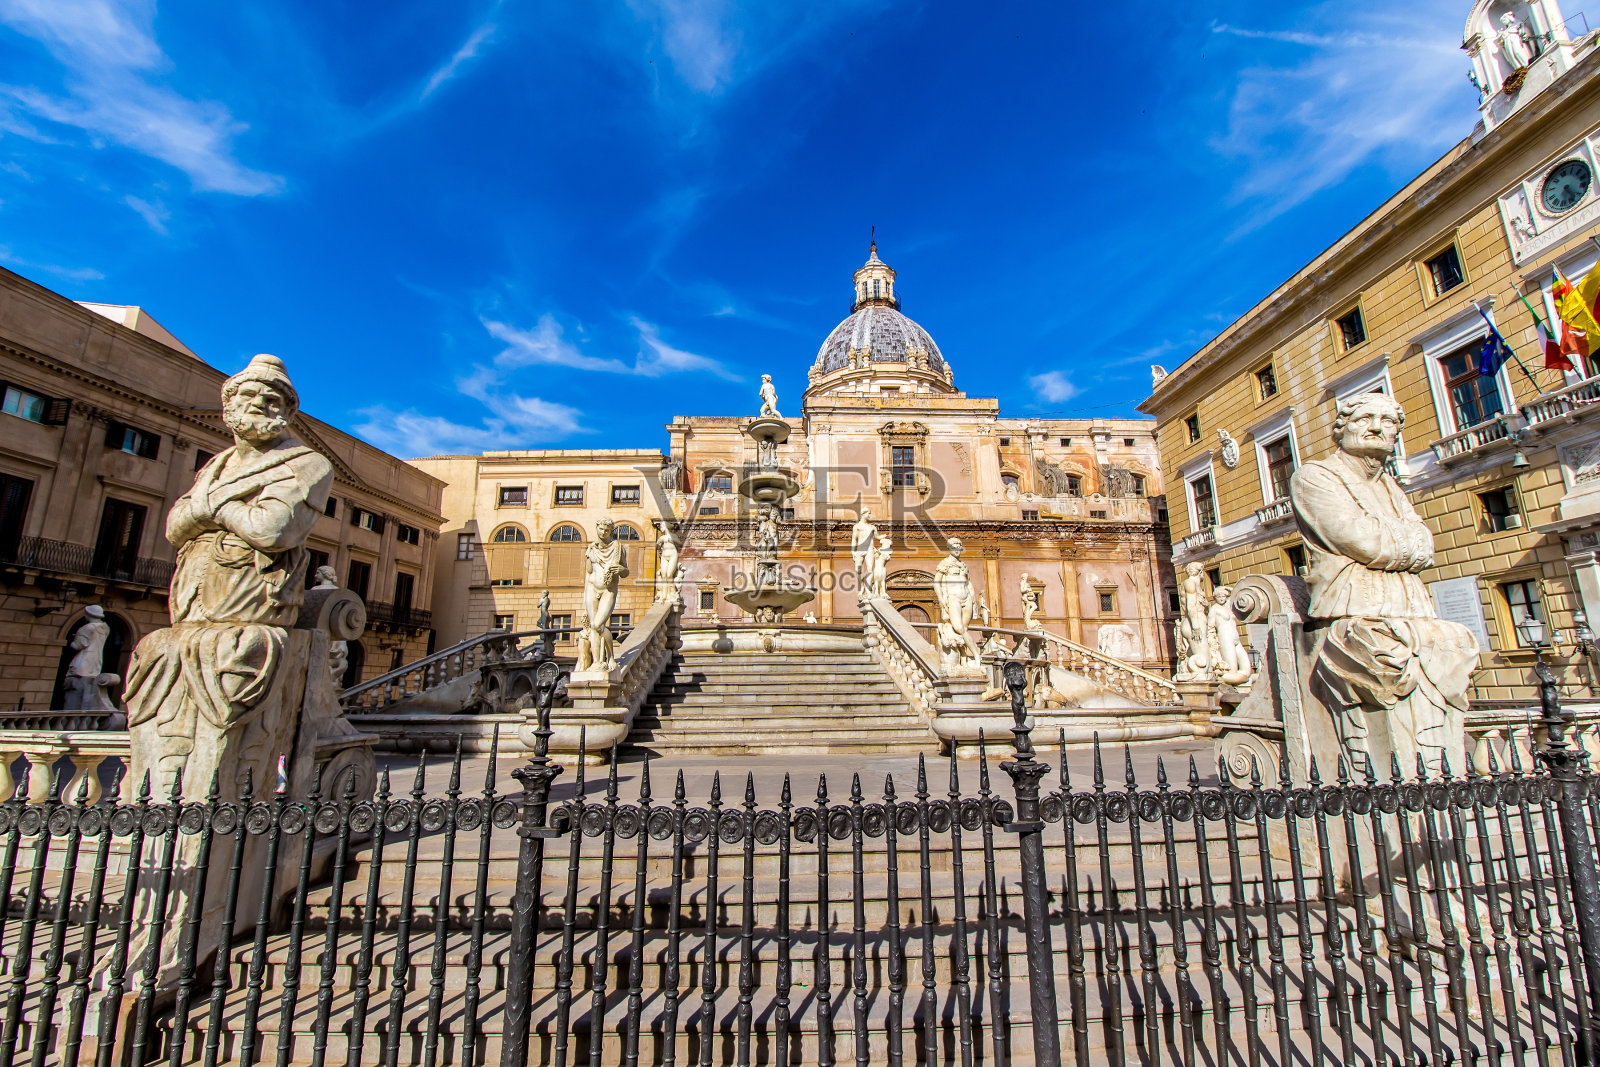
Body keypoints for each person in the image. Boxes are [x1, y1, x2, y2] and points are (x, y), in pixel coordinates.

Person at [126, 354, 333, 797]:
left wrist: (212, 507)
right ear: (230, 404)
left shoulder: (306, 462)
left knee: (233, 696)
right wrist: (229, 507)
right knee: (157, 669)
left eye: (272, 396)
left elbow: (272, 529)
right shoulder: (215, 466)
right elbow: (173, 526)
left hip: (252, 604)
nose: (259, 402)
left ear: (289, 409)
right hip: (193, 603)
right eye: (249, 393)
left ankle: (224, 815)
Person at [1291, 392, 1477, 777]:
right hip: (1352, 604)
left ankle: (1438, 782)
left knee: (1454, 644)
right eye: (1365, 419)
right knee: (1382, 670)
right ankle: (1386, 784)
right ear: (1341, 429)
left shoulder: (1391, 485)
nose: (1378, 428)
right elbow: (1361, 539)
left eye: (1388, 422)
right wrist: (1401, 542)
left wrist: (1391, 543)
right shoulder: (1316, 476)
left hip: (1408, 603)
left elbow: (1427, 545)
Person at [577, 517, 629, 671]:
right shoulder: (591, 548)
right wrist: (584, 606)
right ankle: (597, 663)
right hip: (592, 588)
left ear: (611, 531)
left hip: (608, 589)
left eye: (607, 530)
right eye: (601, 529)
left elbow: (626, 571)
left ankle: (611, 657)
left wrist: (621, 570)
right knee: (593, 627)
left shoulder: (618, 548)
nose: (604, 532)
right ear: (596, 527)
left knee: (598, 625)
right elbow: (588, 574)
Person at [933, 539, 981, 675]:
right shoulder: (945, 563)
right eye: (954, 547)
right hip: (953, 597)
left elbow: (969, 583)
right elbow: (937, 583)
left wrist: (973, 601)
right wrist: (942, 600)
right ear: (949, 548)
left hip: (966, 598)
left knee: (963, 630)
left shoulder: (963, 565)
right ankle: (977, 655)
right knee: (958, 628)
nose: (957, 549)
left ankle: (964, 659)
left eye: (959, 546)